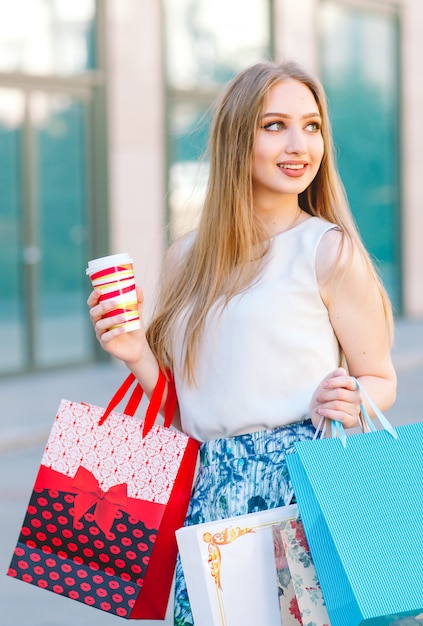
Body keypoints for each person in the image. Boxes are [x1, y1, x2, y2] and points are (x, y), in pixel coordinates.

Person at [88, 60, 397, 626]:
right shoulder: (188, 256)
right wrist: (135, 354)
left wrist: (349, 395)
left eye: (312, 125)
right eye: (274, 124)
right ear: (237, 138)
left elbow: (380, 376)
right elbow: (185, 407)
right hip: (208, 489)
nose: (299, 144)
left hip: (302, 483)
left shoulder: (327, 250)